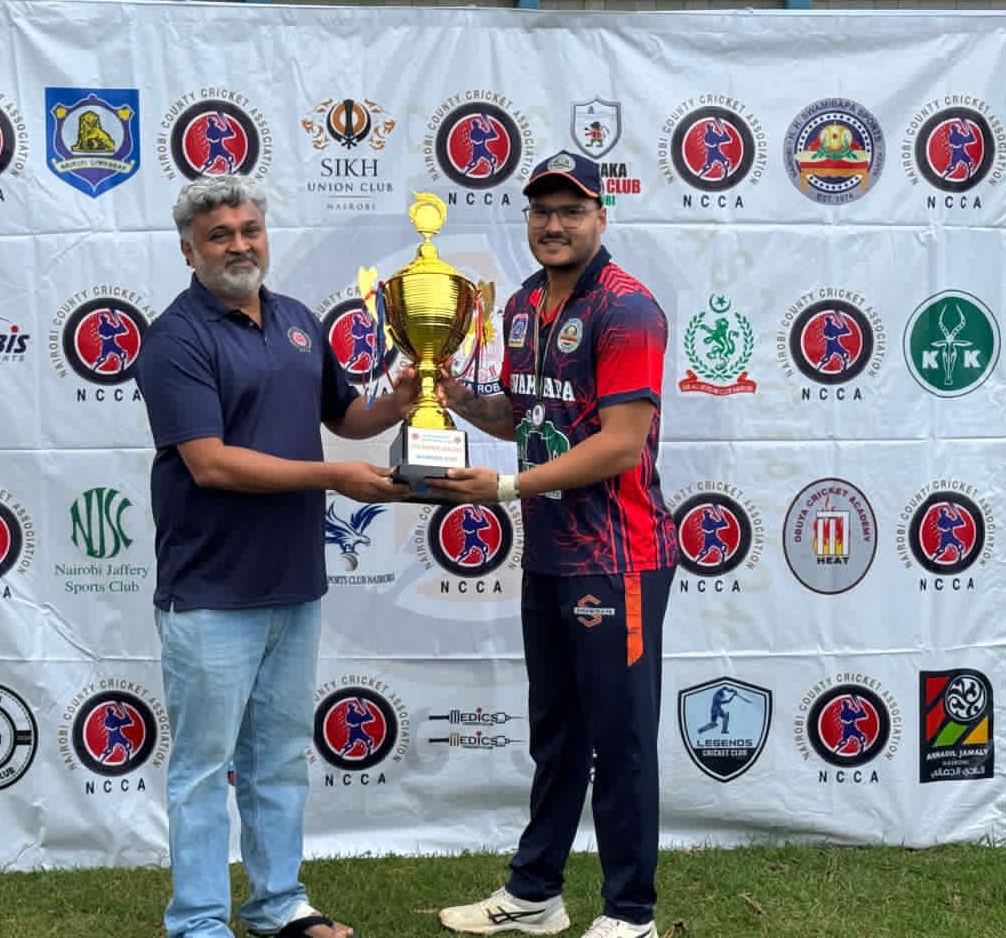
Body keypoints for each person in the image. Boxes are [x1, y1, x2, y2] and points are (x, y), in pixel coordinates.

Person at [134, 174, 413, 938]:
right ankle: (197, 921)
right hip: (211, 589)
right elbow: (211, 464)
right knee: (202, 769)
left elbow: (345, 416)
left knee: (280, 760)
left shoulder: (295, 320)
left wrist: (405, 395)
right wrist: (334, 476)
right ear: (188, 250)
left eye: (249, 228)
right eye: (219, 235)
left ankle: (279, 904)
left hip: (294, 582)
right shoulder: (176, 340)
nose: (238, 245)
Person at [428, 151, 679, 938]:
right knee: (558, 733)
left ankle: (629, 913)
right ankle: (536, 895)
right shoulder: (523, 304)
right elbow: (528, 414)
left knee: (622, 741)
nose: (554, 224)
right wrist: (449, 393)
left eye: (571, 210)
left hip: (619, 554)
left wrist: (504, 490)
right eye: (541, 210)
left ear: (601, 216)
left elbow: (619, 446)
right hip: (551, 551)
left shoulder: (626, 308)